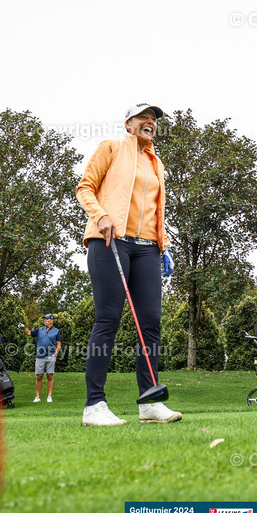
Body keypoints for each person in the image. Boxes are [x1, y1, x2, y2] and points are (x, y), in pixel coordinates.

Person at [75, 103, 181, 426]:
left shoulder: (157, 163)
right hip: (110, 241)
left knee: (150, 323)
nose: (150, 123)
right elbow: (85, 188)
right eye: (144, 118)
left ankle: (149, 402)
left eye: (154, 120)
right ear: (129, 123)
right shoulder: (111, 148)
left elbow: (155, 208)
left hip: (148, 249)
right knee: (108, 319)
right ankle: (94, 405)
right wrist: (102, 215)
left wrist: (163, 245)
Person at [22, 314, 61, 403]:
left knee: (50, 375)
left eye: (47, 319)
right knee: (39, 376)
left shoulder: (56, 331)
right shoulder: (40, 330)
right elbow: (28, 333)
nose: (45, 320)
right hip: (40, 356)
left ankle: (49, 396)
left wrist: (55, 354)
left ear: (52, 320)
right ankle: (37, 397)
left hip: (51, 356)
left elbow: (58, 344)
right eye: (45, 319)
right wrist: (23, 328)